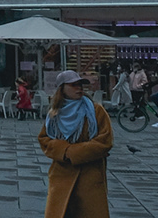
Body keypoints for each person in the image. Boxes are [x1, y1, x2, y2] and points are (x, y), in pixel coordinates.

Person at [38, 70, 112, 218]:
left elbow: (105, 141)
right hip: (61, 175)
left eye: (80, 85)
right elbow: (45, 139)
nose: (79, 88)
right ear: (62, 88)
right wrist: (64, 151)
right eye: (73, 85)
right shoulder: (54, 114)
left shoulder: (95, 110)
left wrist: (74, 153)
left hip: (90, 175)